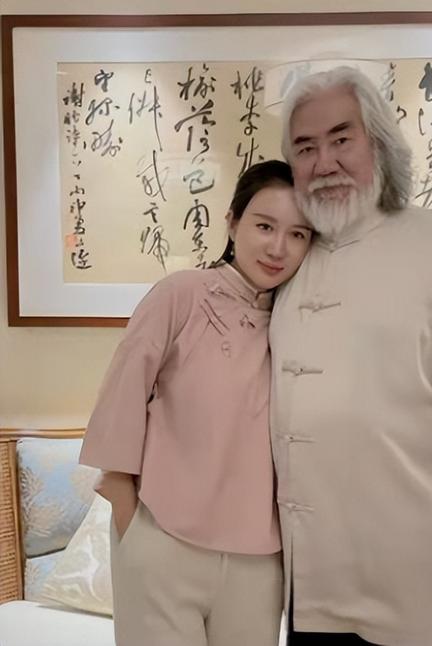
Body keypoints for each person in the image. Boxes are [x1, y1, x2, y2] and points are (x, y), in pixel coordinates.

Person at [269, 67, 432, 646]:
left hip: (418, 566)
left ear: (379, 143)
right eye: (305, 148)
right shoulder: (288, 258)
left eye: (342, 139)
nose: (324, 162)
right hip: (312, 578)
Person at [79, 160, 313, 646]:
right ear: (232, 221)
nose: (278, 247)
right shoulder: (179, 295)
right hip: (162, 541)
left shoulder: (300, 322)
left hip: (259, 562)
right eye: (264, 226)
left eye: (298, 234)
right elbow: (121, 396)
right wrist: (130, 518)